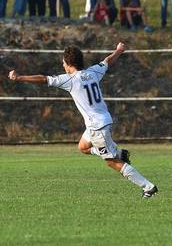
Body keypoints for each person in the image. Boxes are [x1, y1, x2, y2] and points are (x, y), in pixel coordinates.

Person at [8, 42, 158, 199]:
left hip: (97, 126)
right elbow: (107, 61)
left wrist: (19, 77)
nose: (63, 65)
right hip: (103, 120)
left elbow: (44, 79)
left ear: (68, 64)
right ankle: (119, 152)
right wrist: (119, 51)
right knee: (83, 147)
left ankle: (148, 187)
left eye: (63, 62)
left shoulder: (70, 80)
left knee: (111, 161)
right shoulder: (93, 72)